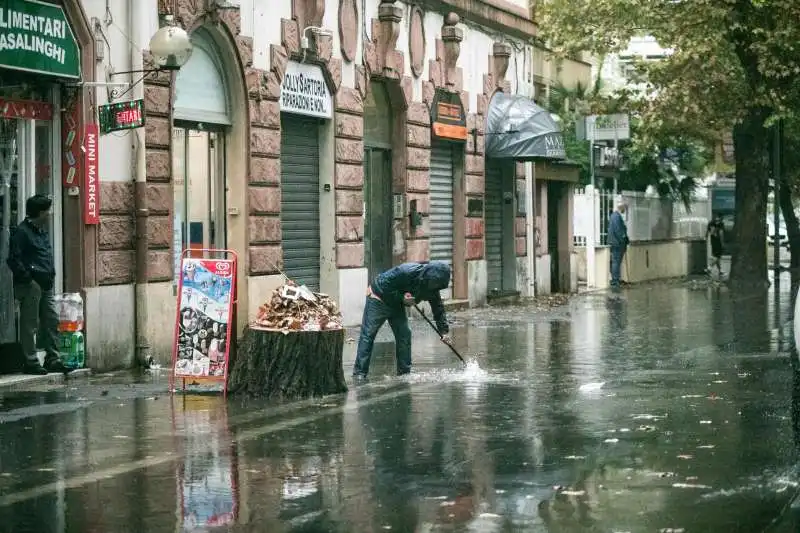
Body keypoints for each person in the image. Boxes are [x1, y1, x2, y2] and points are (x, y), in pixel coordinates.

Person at [353, 261, 453, 379]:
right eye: (433, 284)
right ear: (428, 276)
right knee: (368, 335)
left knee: (404, 334)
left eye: (437, 286)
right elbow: (385, 285)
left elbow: (438, 309)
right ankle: (360, 373)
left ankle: (404, 373)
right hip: (378, 297)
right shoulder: (406, 271)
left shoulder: (433, 287)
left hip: (396, 304)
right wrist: (402, 297)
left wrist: (444, 331)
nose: (434, 288)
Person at [7, 194, 69, 375]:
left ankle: (53, 358)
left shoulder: (41, 231)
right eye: (47, 211)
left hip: (46, 284)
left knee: (51, 321)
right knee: (30, 324)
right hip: (31, 285)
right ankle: (31, 361)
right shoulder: (22, 232)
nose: (50, 214)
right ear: (40, 213)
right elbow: (13, 259)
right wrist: (28, 280)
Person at [608, 201, 630, 289]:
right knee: (616, 262)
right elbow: (618, 231)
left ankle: (616, 279)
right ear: (621, 208)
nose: (625, 210)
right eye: (624, 208)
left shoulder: (615, 216)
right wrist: (623, 240)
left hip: (615, 242)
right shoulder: (616, 216)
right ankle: (615, 280)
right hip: (617, 243)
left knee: (616, 262)